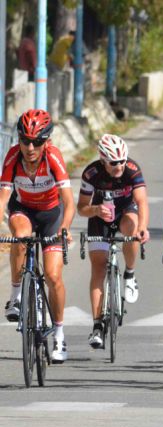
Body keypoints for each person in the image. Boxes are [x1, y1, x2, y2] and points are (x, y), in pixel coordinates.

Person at [0, 109, 75, 363]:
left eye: (37, 141)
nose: (30, 148)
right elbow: (2, 199)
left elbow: (69, 202)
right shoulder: (13, 157)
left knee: (53, 276)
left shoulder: (53, 157)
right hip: (23, 210)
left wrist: (65, 228)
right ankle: (15, 297)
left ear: (47, 141)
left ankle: (59, 335)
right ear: (19, 139)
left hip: (51, 214)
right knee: (21, 237)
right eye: (25, 140)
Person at [77, 134, 149, 348]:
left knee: (131, 228)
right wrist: (95, 210)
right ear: (103, 161)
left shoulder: (132, 169)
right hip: (100, 215)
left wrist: (143, 227)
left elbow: (141, 201)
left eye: (122, 161)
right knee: (98, 267)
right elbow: (81, 208)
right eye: (113, 162)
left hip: (126, 210)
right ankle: (97, 325)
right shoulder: (91, 173)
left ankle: (130, 273)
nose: (119, 166)